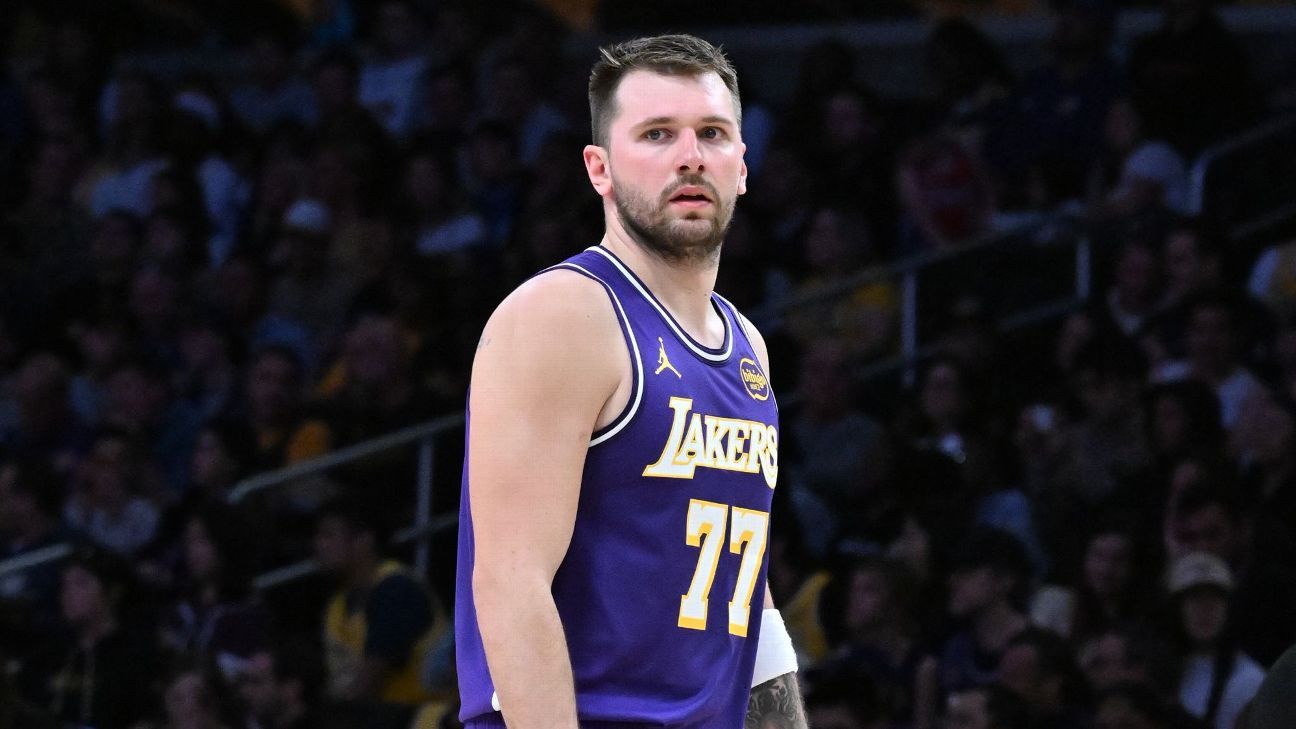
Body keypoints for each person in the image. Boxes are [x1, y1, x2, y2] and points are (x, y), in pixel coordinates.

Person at [454, 34, 804, 728]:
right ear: (600, 168)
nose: (689, 156)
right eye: (656, 134)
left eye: (712, 133)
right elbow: (511, 581)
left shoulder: (748, 345)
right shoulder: (565, 313)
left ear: (741, 166)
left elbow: (747, 591)